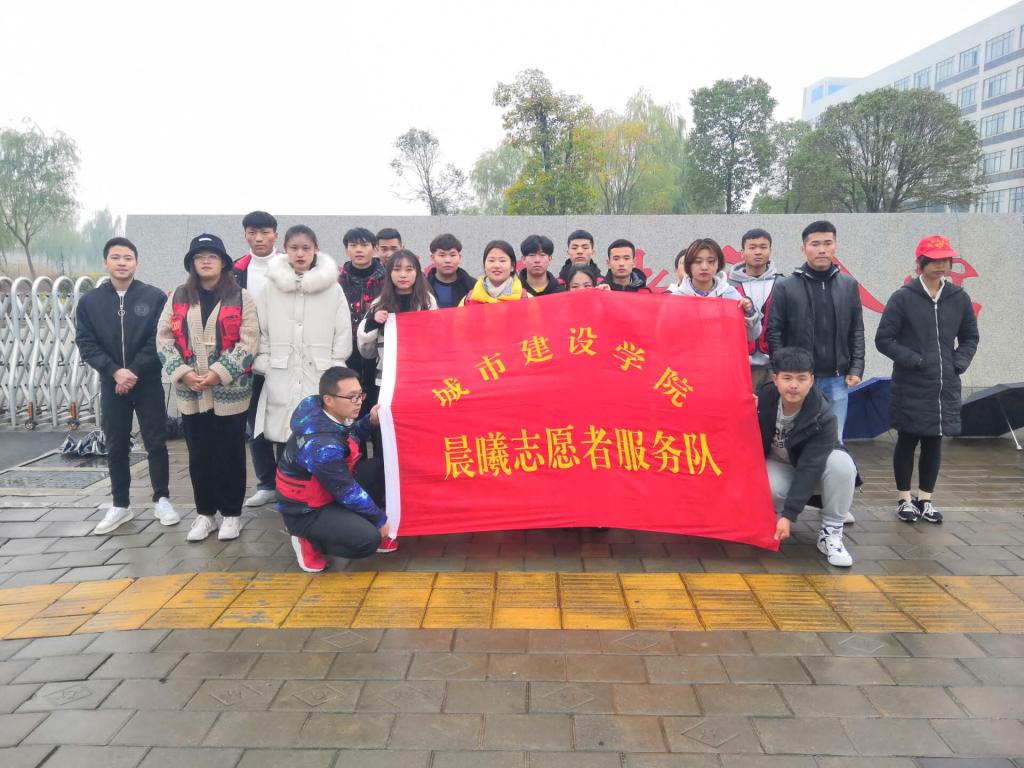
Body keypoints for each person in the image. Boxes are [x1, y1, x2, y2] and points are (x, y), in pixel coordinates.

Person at [157, 234, 258, 542]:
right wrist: (183, 373)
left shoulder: (241, 296)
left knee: (230, 453)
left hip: (230, 392)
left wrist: (218, 373)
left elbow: (249, 341)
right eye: (199, 256)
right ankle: (205, 514)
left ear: (223, 262)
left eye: (212, 256)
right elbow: (163, 338)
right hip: (191, 392)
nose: (205, 261)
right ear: (191, 263)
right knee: (199, 453)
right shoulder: (177, 296)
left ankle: (231, 514)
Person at [875, 235, 980, 525]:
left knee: (935, 441)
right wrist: (915, 360)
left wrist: (957, 363)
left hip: (944, 384)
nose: (940, 265)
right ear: (920, 263)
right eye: (933, 260)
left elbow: (970, 337)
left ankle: (925, 499)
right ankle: (904, 499)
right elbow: (884, 339)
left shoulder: (958, 298)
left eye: (945, 260)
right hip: (911, 383)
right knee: (907, 439)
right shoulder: (903, 297)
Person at [76, 237, 177, 534]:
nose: (122, 263)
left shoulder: (154, 297)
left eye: (128, 258)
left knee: (155, 441)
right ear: (105, 262)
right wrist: (114, 372)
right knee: (116, 444)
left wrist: (131, 371)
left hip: (147, 382)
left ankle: (162, 499)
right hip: (111, 384)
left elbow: (159, 339)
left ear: (136, 262)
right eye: (116, 257)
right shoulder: (90, 302)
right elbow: (86, 343)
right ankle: (120, 505)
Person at [275, 367, 389, 572]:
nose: (359, 401)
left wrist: (370, 421)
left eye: (360, 395)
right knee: (368, 540)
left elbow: (349, 436)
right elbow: (346, 490)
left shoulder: (322, 412)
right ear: (329, 399)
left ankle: (346, 523)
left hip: (327, 490)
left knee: (378, 468)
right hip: (306, 510)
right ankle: (307, 539)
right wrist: (379, 520)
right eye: (352, 397)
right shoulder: (321, 445)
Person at [253, 225, 352, 454]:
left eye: (306, 248)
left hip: (320, 371)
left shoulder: (332, 288)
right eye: (294, 248)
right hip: (280, 370)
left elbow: (343, 331)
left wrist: (336, 364)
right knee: (283, 437)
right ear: (285, 249)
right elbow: (261, 329)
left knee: (319, 435)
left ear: (316, 248)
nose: (300, 254)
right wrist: (266, 362)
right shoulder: (271, 286)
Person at [767, 220, 864, 444]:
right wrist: (782, 369)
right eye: (815, 244)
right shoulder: (786, 286)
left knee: (834, 440)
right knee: (796, 440)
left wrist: (856, 367)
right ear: (804, 248)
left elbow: (856, 329)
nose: (822, 249)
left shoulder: (848, 285)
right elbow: (775, 331)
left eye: (827, 243)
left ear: (835, 246)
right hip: (799, 378)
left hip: (837, 378)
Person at [758, 347, 857, 567]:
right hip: (779, 463)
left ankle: (831, 532)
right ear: (775, 379)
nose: (794, 385)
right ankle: (771, 518)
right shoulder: (764, 398)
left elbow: (809, 468)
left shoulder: (823, 415)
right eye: (787, 378)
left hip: (816, 468)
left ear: (811, 380)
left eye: (801, 378)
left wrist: (790, 515)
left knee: (843, 465)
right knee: (765, 486)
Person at [233, 211, 283, 509]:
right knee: (255, 421)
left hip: (284, 354)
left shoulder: (289, 265)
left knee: (287, 420)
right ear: (245, 235)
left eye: (265, 232)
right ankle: (266, 483)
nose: (259, 238)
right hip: (248, 358)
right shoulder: (235, 270)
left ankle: (288, 481)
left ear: (275, 234)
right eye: (253, 232)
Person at [358, 249, 439, 390]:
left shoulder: (427, 301)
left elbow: (437, 337)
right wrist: (374, 321)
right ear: (389, 273)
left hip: (422, 373)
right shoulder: (380, 303)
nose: (403, 275)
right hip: (388, 375)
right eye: (396, 269)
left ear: (417, 272)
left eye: (409, 270)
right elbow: (366, 350)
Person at [668, 238, 761, 342]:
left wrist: (749, 312)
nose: (704, 267)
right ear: (689, 265)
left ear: (718, 264)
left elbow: (752, 336)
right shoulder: (675, 299)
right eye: (698, 262)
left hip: (723, 352)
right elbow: (664, 335)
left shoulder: (730, 295)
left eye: (711, 261)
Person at [338, 227, 387, 412]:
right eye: (353, 245)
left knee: (376, 397)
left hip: (378, 346)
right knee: (348, 395)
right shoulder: (337, 280)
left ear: (374, 248)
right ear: (346, 249)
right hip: (347, 346)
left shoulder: (387, 278)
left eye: (364, 245)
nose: (359, 250)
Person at [728, 228, 779, 391]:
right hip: (739, 365)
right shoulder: (728, 287)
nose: (758, 252)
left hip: (775, 365)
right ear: (742, 252)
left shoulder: (783, 284)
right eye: (752, 247)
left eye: (763, 247)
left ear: (770, 250)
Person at [460, 240, 531, 305]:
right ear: (484, 266)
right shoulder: (468, 300)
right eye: (491, 260)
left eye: (502, 261)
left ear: (512, 266)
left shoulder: (527, 299)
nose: (496, 265)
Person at [425, 233, 476, 308]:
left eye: (452, 255)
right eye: (442, 255)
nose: (447, 260)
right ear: (432, 258)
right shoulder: (423, 287)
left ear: (459, 258)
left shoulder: (473, 286)